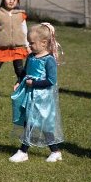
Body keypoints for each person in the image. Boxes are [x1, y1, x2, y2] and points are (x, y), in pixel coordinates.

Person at [8, 23, 63, 163]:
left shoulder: (48, 60)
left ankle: (24, 151)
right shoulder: (31, 56)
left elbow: (51, 80)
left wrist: (35, 83)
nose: (29, 46)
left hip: (42, 97)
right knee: (29, 122)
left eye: (32, 43)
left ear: (44, 43)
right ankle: (53, 151)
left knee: (41, 124)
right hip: (29, 95)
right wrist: (18, 81)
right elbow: (25, 72)